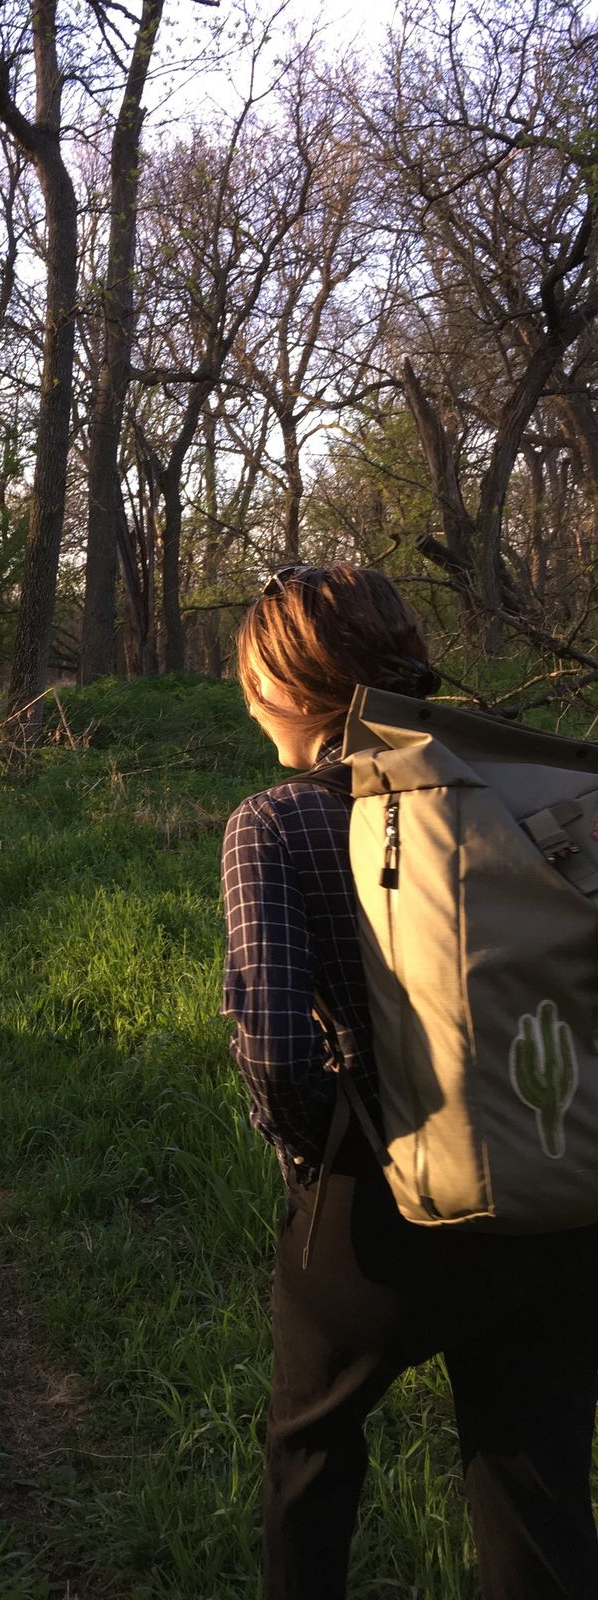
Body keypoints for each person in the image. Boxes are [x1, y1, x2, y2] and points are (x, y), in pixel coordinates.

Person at [219, 561, 598, 1600]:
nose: (246, 698)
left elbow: (276, 1049)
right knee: (537, 1479)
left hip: (377, 1207)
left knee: (311, 1449)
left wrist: (309, 1162)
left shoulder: (275, 821)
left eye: (254, 676)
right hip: (555, 1179)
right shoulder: (523, 791)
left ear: (296, 689)